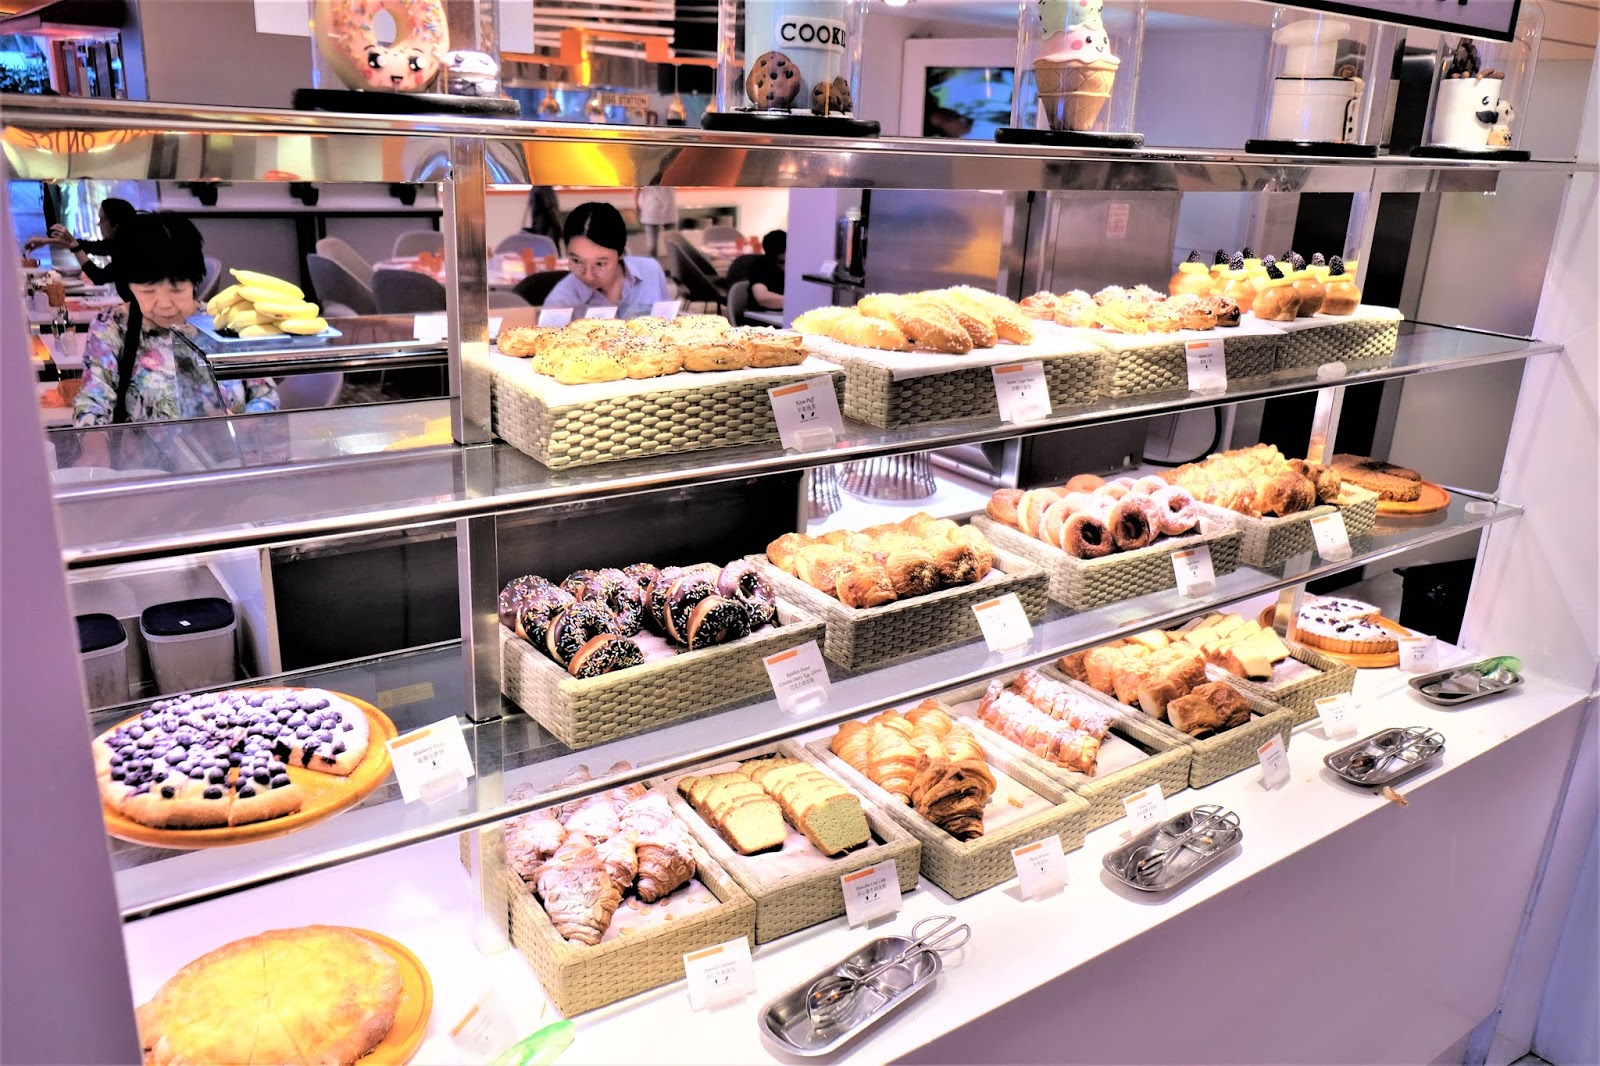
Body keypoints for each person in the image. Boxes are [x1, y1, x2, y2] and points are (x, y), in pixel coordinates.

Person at [73, 213, 279, 427]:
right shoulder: (111, 326)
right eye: (148, 292)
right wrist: (96, 439)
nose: (164, 304)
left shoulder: (225, 322)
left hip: (228, 448)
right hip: (144, 450)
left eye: (177, 290)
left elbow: (266, 396)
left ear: (195, 281)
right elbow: (92, 403)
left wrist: (242, 424)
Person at [542, 202, 673, 316]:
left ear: (621, 253)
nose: (588, 276)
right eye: (577, 261)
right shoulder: (559, 303)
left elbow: (669, 325)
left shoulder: (651, 270)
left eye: (600, 264)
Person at [24, 196, 136, 291]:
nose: (98, 224)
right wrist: (45, 241)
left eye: (102, 220)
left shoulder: (130, 251)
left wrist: (75, 246)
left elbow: (99, 277)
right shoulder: (122, 240)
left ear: (116, 226)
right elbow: (88, 246)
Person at [749, 229, 786, 314]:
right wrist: (796, 302)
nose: (786, 267)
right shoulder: (760, 267)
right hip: (762, 316)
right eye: (782, 262)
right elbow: (762, 298)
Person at [635, 185, 677, 258]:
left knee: (671, 244)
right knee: (654, 245)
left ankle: (653, 264)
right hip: (654, 207)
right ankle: (653, 264)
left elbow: (637, 187)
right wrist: (636, 203)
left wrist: (636, 203)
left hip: (661, 206)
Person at [524, 185, 563, 251]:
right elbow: (551, 209)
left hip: (538, 229)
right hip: (548, 231)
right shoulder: (545, 188)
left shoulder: (535, 188)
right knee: (550, 254)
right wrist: (559, 228)